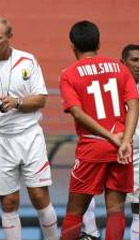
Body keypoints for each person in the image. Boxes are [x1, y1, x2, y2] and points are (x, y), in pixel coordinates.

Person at [0, 17, 58, 240]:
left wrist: (18, 102)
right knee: (9, 202)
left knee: (39, 196)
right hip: (0, 140)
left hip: (29, 136)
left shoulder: (27, 61)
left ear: (9, 38)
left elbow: (41, 99)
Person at [59, 21, 139, 240]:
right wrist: (124, 141)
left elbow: (77, 112)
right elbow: (133, 105)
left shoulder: (69, 74)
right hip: (122, 148)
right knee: (116, 211)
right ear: (99, 43)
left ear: (73, 46)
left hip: (92, 148)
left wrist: (109, 137)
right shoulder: (119, 68)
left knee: (75, 212)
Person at [79, 44, 140, 240]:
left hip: (133, 154)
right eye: (135, 60)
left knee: (133, 208)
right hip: (110, 147)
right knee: (85, 193)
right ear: (123, 63)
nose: (139, 65)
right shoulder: (111, 83)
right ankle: (90, 233)